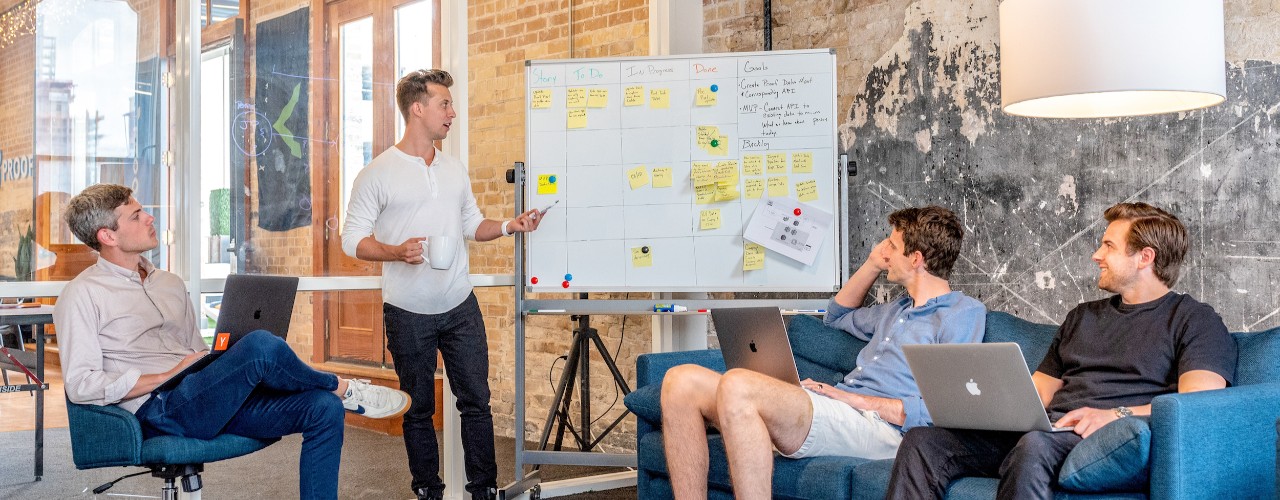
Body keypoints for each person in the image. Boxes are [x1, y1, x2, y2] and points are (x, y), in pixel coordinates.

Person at [54, 183, 411, 500]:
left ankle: (334, 396)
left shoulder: (169, 282)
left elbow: (193, 351)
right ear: (108, 236)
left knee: (322, 408)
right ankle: (343, 388)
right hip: (161, 409)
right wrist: (166, 376)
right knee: (260, 346)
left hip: (201, 396)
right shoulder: (82, 294)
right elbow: (82, 385)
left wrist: (212, 361)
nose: (149, 217)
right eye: (135, 215)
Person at [886, 202, 1238, 500]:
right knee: (923, 442)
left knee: (1034, 447)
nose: (1096, 255)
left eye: (1109, 246)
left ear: (1145, 257)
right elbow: (1039, 391)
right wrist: (986, 409)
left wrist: (1114, 415)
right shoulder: (1082, 317)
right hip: (1049, 433)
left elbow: (1197, 404)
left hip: (1111, 439)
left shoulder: (1194, 319)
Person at [660, 206, 986, 499]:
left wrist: (860, 401)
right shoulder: (894, 310)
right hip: (839, 409)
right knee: (680, 381)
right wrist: (872, 264)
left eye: (891, 246)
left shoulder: (961, 313)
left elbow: (951, 406)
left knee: (738, 385)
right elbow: (836, 317)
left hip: (882, 429)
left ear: (916, 259)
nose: (884, 251)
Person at [340, 68, 543, 500]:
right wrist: (397, 251)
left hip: (459, 305)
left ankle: (483, 490)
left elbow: (472, 224)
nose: (452, 113)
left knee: (476, 403)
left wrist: (511, 224)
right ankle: (428, 491)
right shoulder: (377, 172)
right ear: (418, 108)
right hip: (407, 311)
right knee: (418, 408)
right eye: (444, 104)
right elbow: (351, 239)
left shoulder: (453, 169)